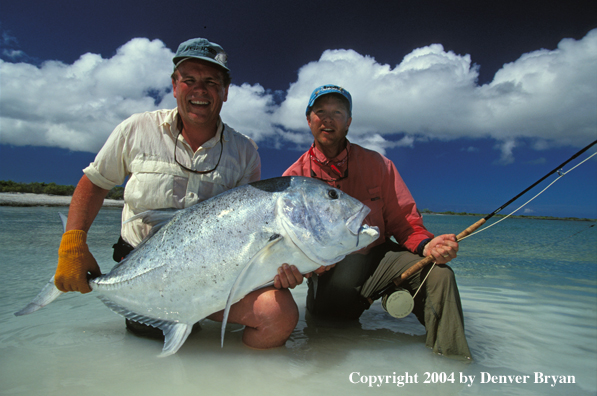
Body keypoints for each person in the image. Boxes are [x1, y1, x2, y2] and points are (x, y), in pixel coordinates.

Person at [54, 38, 299, 349]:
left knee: (279, 314)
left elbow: (250, 229)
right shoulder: (136, 129)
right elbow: (96, 182)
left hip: (218, 277)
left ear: (225, 91)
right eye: (190, 80)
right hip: (150, 277)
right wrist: (72, 244)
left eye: (211, 81)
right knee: (150, 343)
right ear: (174, 85)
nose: (200, 89)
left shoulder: (245, 152)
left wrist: (276, 266)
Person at [281, 85, 472, 359]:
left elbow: (405, 222)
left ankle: (454, 367)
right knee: (326, 331)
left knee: (438, 274)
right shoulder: (293, 178)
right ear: (309, 119)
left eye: (337, 112)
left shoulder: (379, 165)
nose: (328, 119)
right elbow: (290, 247)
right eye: (320, 112)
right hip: (329, 271)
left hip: (379, 256)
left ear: (348, 121)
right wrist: (305, 269)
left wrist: (428, 245)